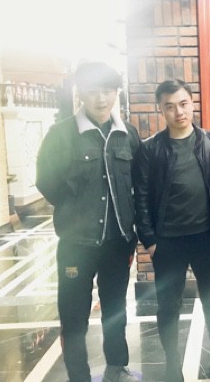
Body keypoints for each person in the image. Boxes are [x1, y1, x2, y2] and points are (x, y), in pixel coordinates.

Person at [36, 62, 140, 382]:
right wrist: (75, 210)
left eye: (108, 91)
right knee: (74, 317)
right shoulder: (62, 134)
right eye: (94, 91)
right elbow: (46, 182)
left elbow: (138, 181)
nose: (101, 99)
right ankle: (78, 376)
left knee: (116, 311)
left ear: (116, 93)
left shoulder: (127, 134)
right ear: (81, 92)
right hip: (76, 244)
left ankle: (117, 368)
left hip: (117, 242)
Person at [134, 79, 210, 382]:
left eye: (183, 104)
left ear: (192, 103)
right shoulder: (150, 149)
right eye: (170, 106)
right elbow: (141, 197)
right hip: (167, 242)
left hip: (208, 237)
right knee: (169, 306)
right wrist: (149, 240)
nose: (178, 112)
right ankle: (172, 365)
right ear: (161, 110)